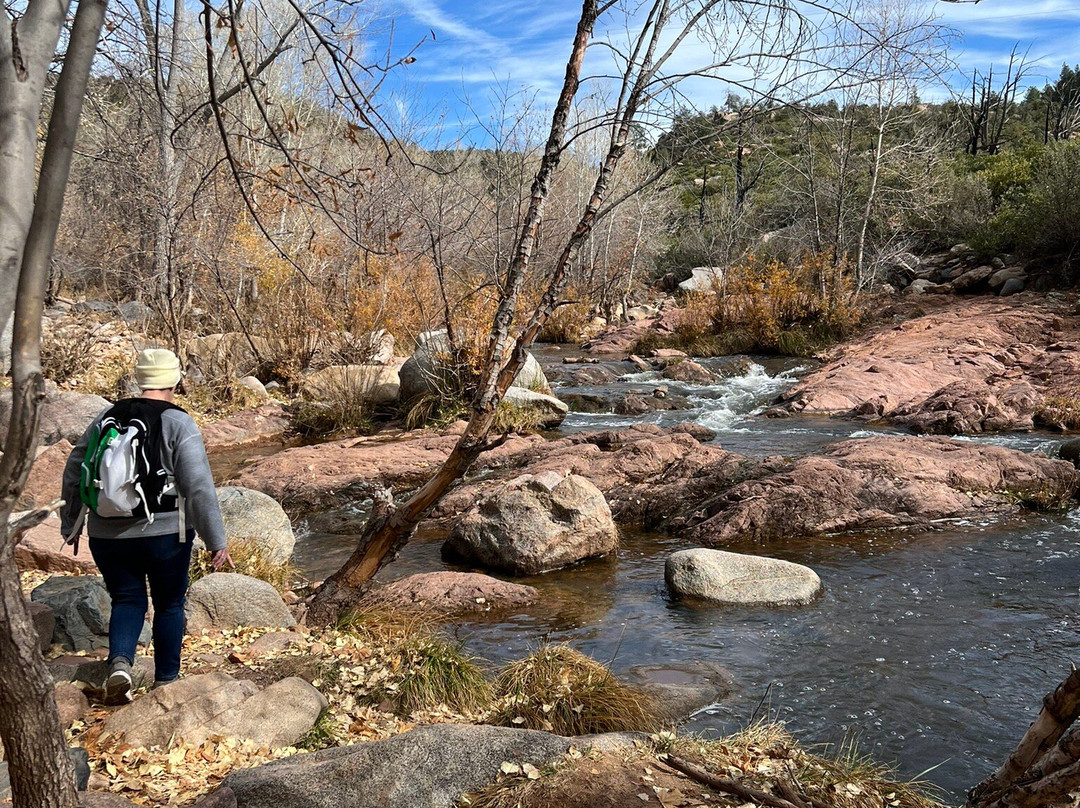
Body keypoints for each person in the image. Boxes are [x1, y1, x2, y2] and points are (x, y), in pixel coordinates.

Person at [61, 348, 232, 701]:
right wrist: (216, 540)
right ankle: (166, 681)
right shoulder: (178, 422)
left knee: (127, 599)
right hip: (166, 534)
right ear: (175, 380)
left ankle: (121, 664)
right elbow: (198, 486)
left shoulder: (107, 415)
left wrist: (71, 523)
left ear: (140, 378)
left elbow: (76, 466)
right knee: (169, 604)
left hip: (107, 533)